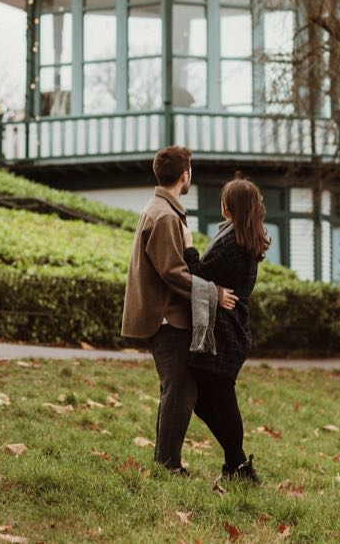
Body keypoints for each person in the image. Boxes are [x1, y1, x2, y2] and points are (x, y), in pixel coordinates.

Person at [121, 146, 238, 475]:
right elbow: (172, 272)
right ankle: (168, 465)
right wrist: (213, 293)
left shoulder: (162, 209)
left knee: (177, 389)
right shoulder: (165, 215)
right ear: (185, 176)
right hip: (166, 318)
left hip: (166, 315)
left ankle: (165, 461)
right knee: (181, 390)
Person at [183, 175, 269, 485]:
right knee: (209, 399)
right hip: (230, 331)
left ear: (229, 206)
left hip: (225, 333)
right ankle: (237, 465)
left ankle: (240, 466)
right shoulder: (243, 237)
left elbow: (199, 274)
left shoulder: (233, 243)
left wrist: (189, 247)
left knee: (214, 399)